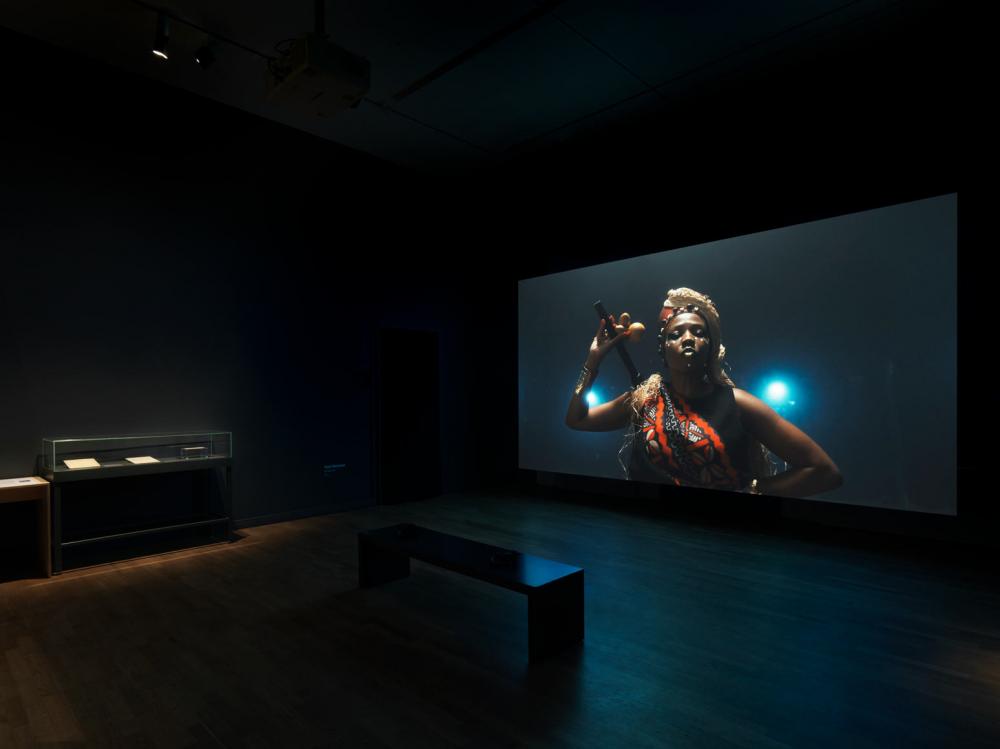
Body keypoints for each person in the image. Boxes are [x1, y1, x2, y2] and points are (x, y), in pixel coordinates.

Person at [564, 288, 842, 497]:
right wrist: (593, 359)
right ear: (663, 349)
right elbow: (576, 419)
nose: (687, 338)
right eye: (676, 334)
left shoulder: (739, 404)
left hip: (720, 541)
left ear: (710, 345)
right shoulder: (644, 399)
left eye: (698, 332)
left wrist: (754, 490)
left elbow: (824, 471)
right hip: (646, 536)